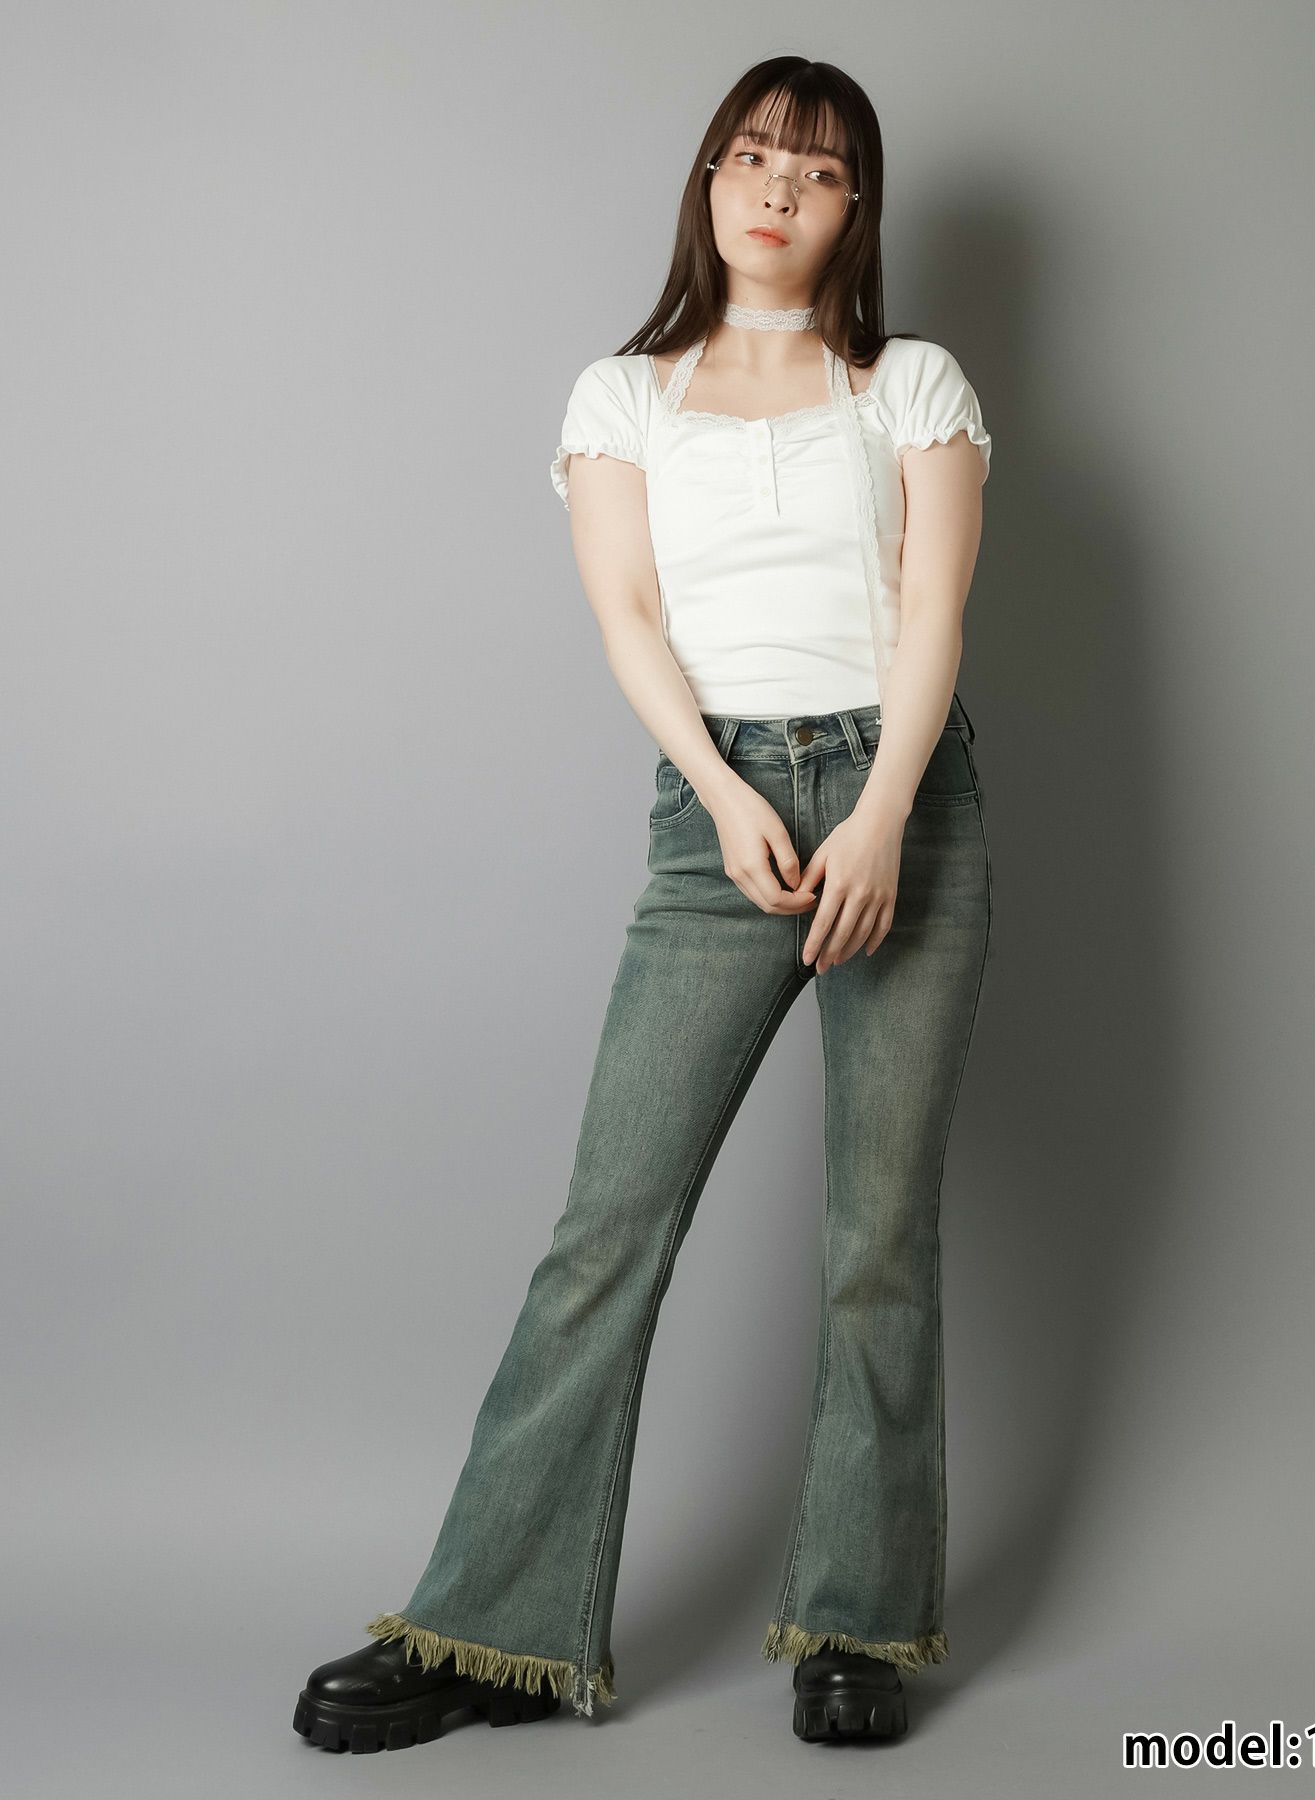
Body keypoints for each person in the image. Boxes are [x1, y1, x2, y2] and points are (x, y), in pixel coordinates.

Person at [293, 54, 992, 1754]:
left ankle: (859, 1624)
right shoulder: (627, 395)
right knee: (608, 1229)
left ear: (856, 206)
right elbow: (627, 615)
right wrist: (731, 795)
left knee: (878, 1238)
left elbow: (932, 617)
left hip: (905, 800)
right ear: (708, 181)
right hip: (717, 812)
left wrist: (883, 815)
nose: (777, 189)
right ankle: (488, 1630)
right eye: (751, 156)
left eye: (816, 169)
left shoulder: (910, 383)